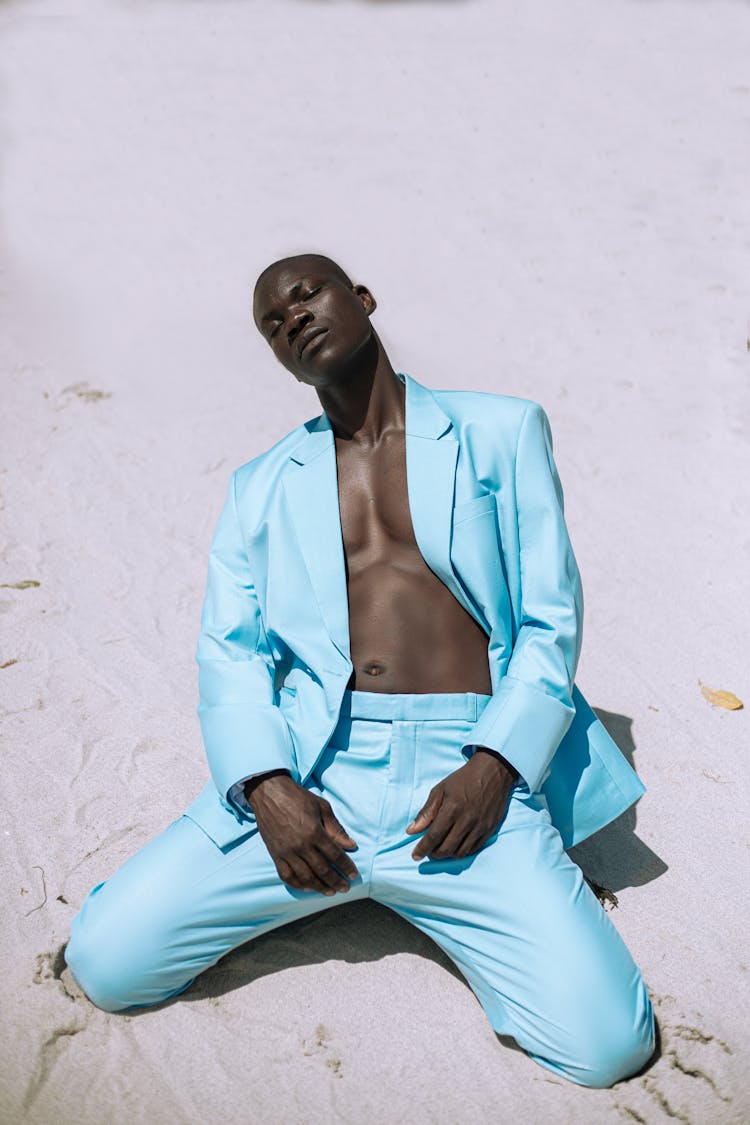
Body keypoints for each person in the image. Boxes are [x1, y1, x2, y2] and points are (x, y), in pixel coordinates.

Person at [65, 252, 656, 1088]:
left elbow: (549, 620)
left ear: (363, 297)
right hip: (316, 769)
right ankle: (359, 887)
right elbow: (230, 653)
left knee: (610, 1045)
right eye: (272, 321)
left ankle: (471, 908)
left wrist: (496, 765)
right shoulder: (260, 487)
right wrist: (267, 787)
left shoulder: (501, 429)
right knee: (106, 961)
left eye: (307, 294)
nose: (293, 317)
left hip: (466, 773)